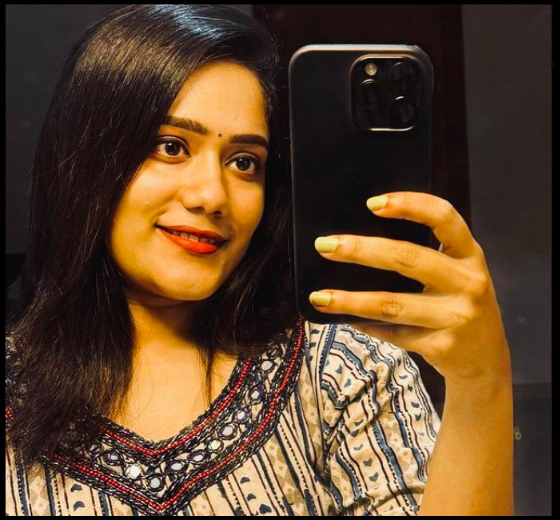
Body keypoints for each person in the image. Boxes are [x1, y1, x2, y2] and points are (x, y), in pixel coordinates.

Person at [5, 4, 513, 516]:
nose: (212, 195)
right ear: (88, 159)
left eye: (244, 162)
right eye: (171, 147)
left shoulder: (341, 370)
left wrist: (480, 383)